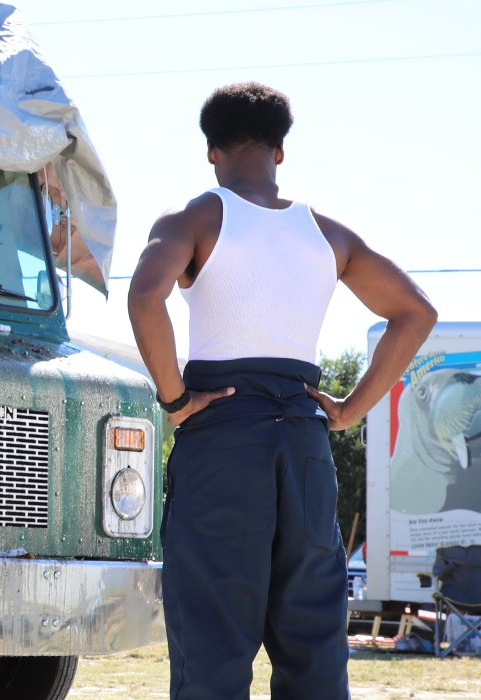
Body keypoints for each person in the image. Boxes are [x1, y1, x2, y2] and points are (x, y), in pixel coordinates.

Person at [128, 83, 436, 700]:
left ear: (211, 151)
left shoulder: (196, 218)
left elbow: (145, 298)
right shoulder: (327, 234)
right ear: (281, 151)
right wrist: (349, 411)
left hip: (221, 434)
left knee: (214, 635)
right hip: (303, 439)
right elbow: (415, 313)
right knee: (313, 636)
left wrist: (174, 401)